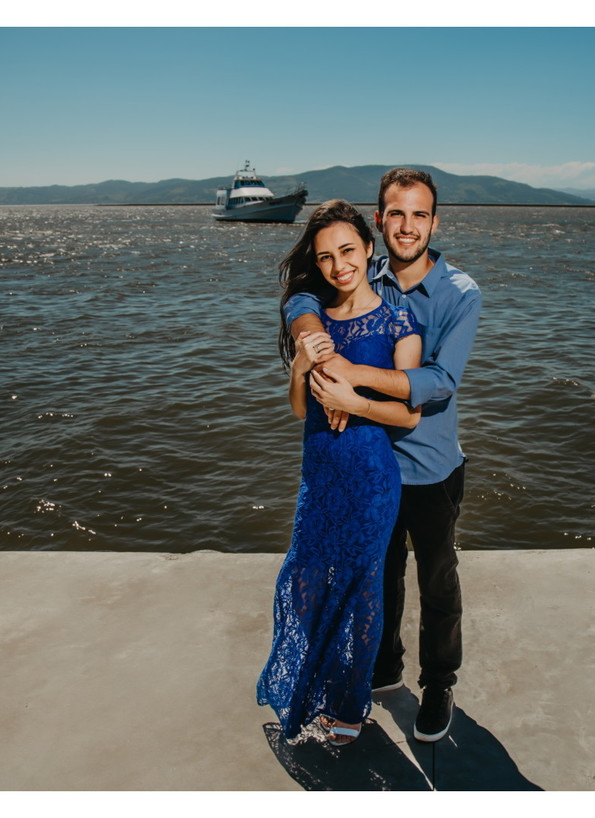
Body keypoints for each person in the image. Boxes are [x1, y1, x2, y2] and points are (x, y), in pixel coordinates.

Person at [283, 168, 481, 742]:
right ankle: (384, 669)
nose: (407, 226)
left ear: (434, 223)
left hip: (429, 464)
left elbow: (439, 380)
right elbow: (306, 290)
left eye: (419, 214)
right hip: (367, 467)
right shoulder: (360, 269)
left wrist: (351, 377)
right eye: (397, 213)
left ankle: (439, 683)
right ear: (379, 222)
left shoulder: (460, 294)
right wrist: (308, 335)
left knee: (437, 580)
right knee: (379, 577)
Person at [257, 199, 422, 746]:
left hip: (371, 478)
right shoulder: (315, 320)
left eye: (347, 250)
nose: (338, 265)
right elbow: (298, 410)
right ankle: (316, 692)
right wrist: (300, 368)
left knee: (360, 594)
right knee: (305, 584)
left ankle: (350, 710)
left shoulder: (399, 321)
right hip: (319, 476)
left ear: (369, 249)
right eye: (325, 257)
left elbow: (410, 414)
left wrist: (355, 401)